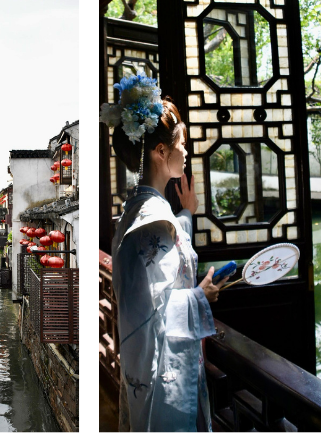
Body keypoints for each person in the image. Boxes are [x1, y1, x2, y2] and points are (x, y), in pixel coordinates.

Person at [102, 75, 227, 431]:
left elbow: (165, 252)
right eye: (182, 143)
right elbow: (154, 307)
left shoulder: (138, 211)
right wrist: (200, 297)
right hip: (162, 380)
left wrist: (186, 213)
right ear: (160, 151)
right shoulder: (153, 221)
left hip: (140, 368)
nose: (186, 151)